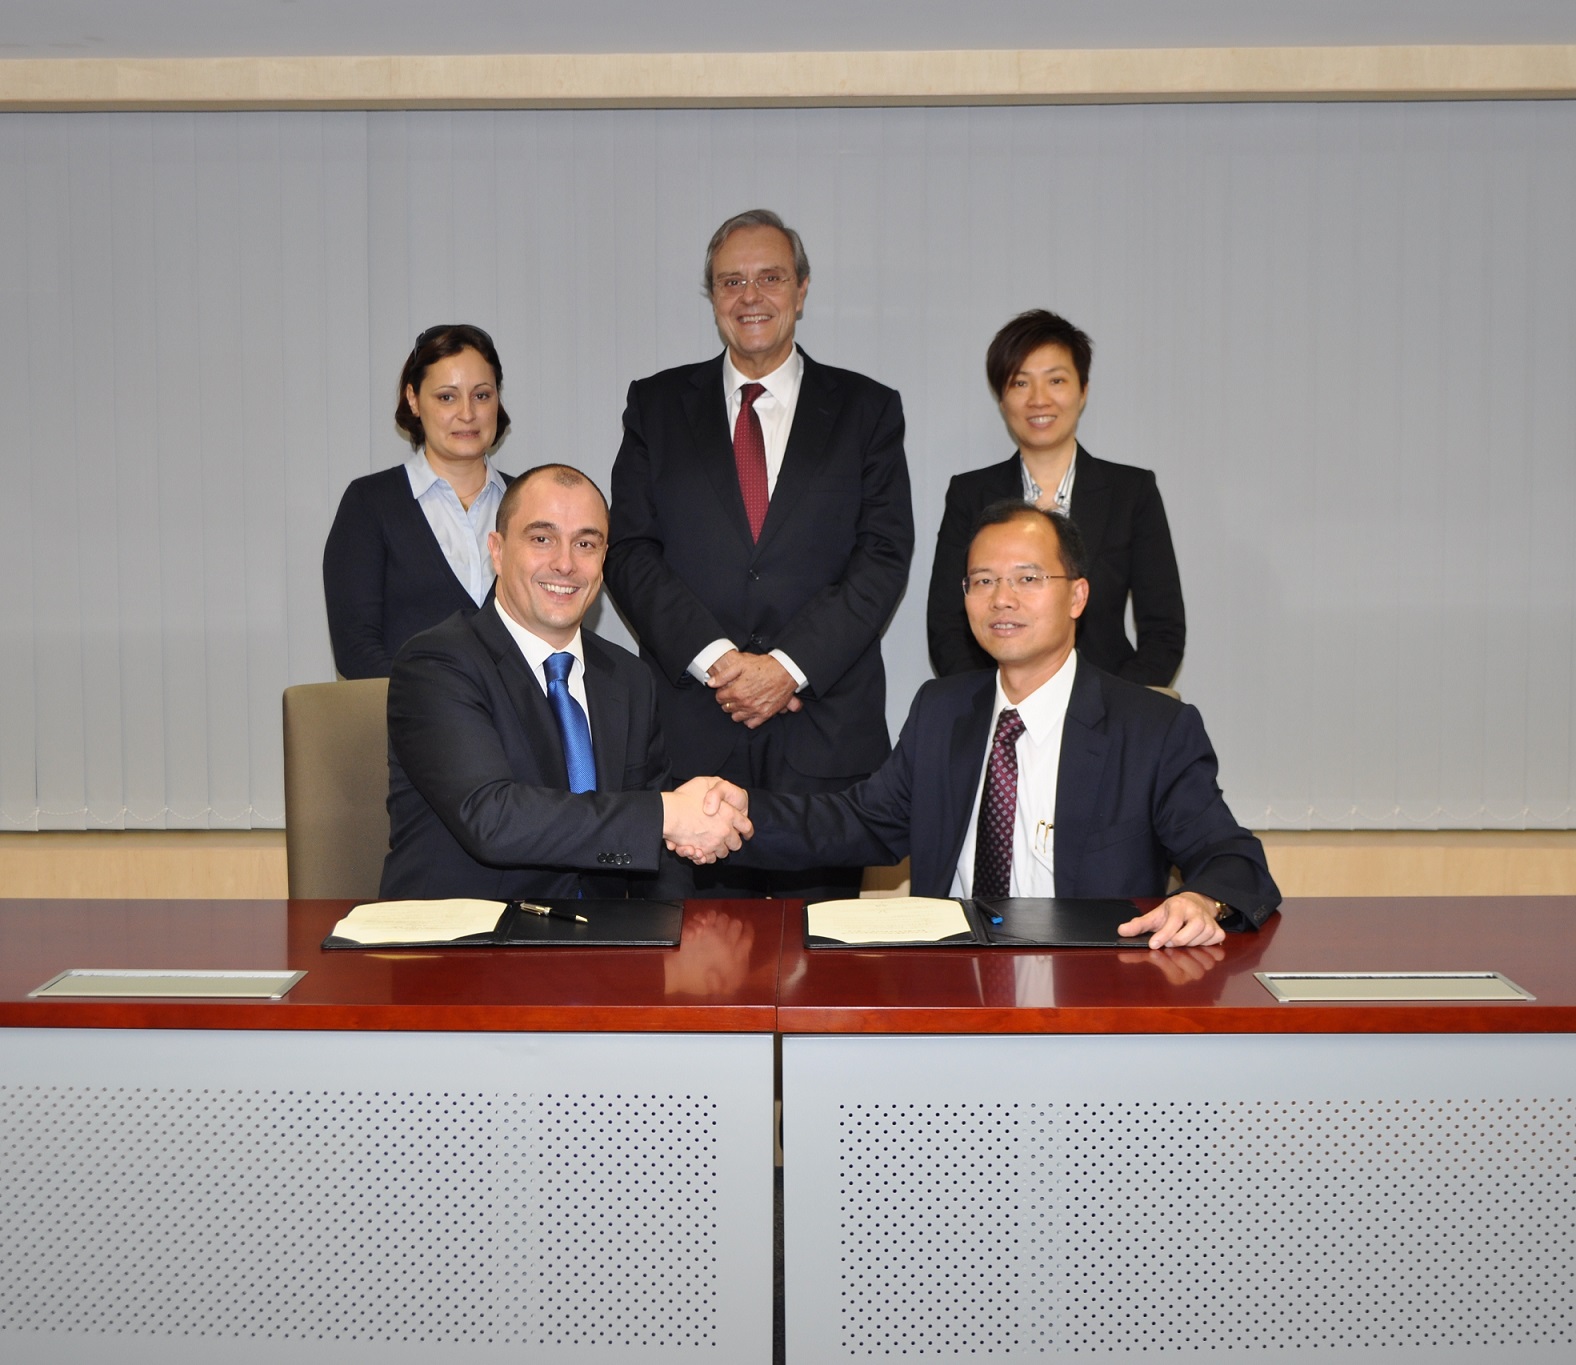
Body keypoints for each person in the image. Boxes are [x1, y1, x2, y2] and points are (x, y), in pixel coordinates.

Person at [744, 502, 1278, 947]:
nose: (1002, 598)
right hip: (952, 987)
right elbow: (857, 822)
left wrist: (1201, 899)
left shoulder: (1152, 729)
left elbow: (1231, 857)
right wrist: (736, 816)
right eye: (983, 580)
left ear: (1077, 596)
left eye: (1028, 578)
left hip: (1089, 990)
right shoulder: (941, 711)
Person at [606, 208, 914, 903]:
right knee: (692, 960)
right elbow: (629, 550)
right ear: (712, 295)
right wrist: (720, 661)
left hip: (822, 745)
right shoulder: (655, 406)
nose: (751, 296)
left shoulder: (867, 409)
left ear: (801, 289)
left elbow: (883, 556)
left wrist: (787, 668)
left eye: (770, 278)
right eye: (731, 281)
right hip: (689, 744)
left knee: (818, 963)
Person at [381, 463, 751, 901]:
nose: (565, 564)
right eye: (542, 539)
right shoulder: (436, 664)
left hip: (602, 935)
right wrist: (666, 814)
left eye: (585, 544)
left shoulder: (630, 678)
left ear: (603, 560)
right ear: (497, 550)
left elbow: (658, 852)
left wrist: (675, 928)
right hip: (465, 934)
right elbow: (492, 819)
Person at [926, 310, 1185, 687]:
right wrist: (992, 705)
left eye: (1056, 380)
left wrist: (1115, 707)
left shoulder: (1132, 491)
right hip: (999, 707)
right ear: (1002, 398)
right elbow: (946, 626)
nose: (1039, 400)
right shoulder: (970, 494)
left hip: (1109, 701)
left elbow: (1163, 631)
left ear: (1083, 391)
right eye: (1020, 383)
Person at [324, 324, 515, 679]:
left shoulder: (530, 505)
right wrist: (431, 705)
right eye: (446, 397)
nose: (467, 413)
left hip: (518, 716)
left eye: (481, 395)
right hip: (408, 713)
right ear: (413, 399)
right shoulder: (369, 505)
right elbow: (357, 651)